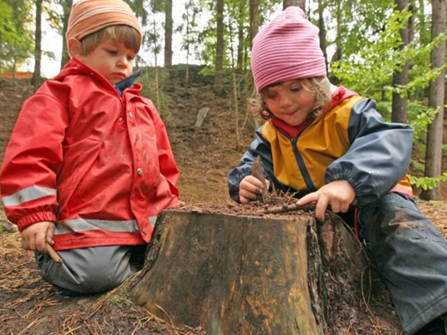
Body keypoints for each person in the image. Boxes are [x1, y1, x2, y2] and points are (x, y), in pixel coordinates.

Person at [228, 6, 447, 335]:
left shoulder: (348, 110)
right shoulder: (270, 134)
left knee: (400, 230)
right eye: (272, 94)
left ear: (317, 83)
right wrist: (243, 184)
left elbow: (389, 141)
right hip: (312, 208)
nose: (284, 103)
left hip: (374, 198)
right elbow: (250, 167)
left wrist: (349, 181)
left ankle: (437, 313)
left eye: (295, 89)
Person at [0, 0, 181, 296]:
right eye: (113, 52)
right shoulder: (58, 96)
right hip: (84, 229)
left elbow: (165, 166)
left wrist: (170, 207)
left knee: (182, 258)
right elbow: (30, 158)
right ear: (77, 46)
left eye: (130, 56)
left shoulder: (145, 108)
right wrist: (34, 215)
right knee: (92, 276)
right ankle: (61, 259)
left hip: (146, 225)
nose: (124, 63)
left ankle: (136, 267)